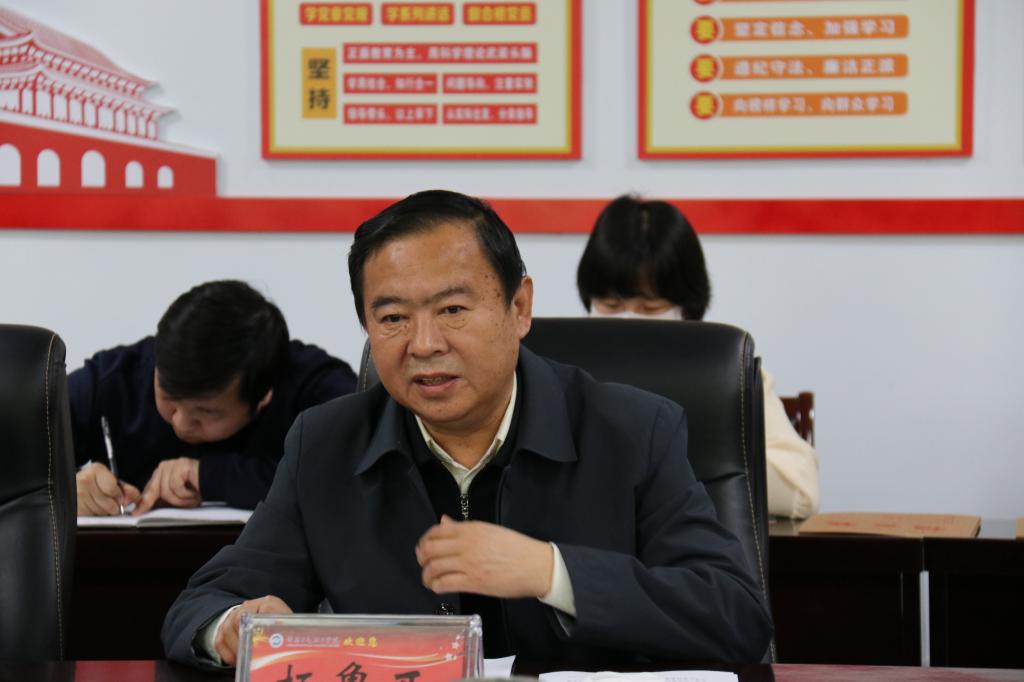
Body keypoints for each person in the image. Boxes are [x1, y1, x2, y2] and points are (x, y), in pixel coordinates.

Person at [162, 190, 773, 670]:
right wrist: (231, 627)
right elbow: (203, 604)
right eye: (393, 318)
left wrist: (552, 573)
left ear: (519, 307)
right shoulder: (325, 444)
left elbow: (736, 616)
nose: (425, 344)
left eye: (453, 310)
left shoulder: (633, 431)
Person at [577, 195, 820, 519]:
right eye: (611, 305)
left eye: (650, 307)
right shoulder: (559, 371)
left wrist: (669, 459)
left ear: (688, 309)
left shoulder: (725, 376)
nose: (629, 319)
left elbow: (800, 490)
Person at [70, 279, 357, 515]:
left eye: (206, 412)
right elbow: (39, 466)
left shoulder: (314, 386)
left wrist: (211, 477)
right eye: (167, 396)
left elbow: (354, 475)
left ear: (263, 397)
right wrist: (66, 490)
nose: (181, 423)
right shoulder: (111, 381)